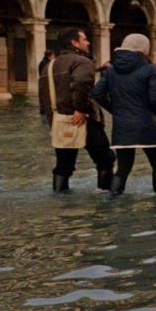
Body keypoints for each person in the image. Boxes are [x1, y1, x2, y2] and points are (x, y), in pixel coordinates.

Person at [92, 33, 156, 195]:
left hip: (122, 126)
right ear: (143, 50)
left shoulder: (111, 71)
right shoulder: (149, 69)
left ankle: (113, 198)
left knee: (123, 169)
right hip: (146, 124)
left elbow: (97, 93)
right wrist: (155, 114)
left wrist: (115, 110)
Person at [49, 27, 115, 193]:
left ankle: (59, 197)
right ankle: (105, 195)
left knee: (63, 166)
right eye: (84, 39)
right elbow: (81, 83)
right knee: (105, 159)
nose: (88, 42)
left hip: (61, 120)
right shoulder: (83, 62)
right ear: (74, 43)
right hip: (86, 119)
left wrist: (53, 118)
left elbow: (45, 97)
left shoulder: (50, 65)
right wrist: (80, 109)